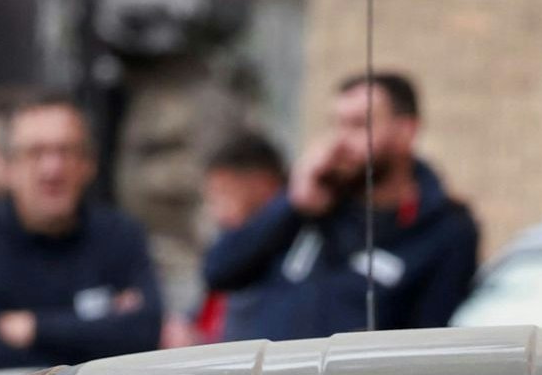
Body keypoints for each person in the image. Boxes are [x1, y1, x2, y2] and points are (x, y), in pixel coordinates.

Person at [201, 71, 480, 339]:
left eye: (359, 125)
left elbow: (430, 339)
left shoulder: (445, 229)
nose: (341, 141)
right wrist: (292, 207)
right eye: (337, 124)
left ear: (406, 131)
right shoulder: (308, 200)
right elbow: (220, 272)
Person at [0, 91, 164, 370]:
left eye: (66, 151)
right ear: (8, 168)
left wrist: (35, 327)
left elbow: (145, 335)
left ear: (88, 164)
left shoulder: (121, 235)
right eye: (35, 153)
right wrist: (100, 329)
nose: (52, 169)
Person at [184, 130, 289, 345]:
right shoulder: (231, 255)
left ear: (263, 184)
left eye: (223, 193)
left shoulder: (289, 252)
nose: (216, 212)